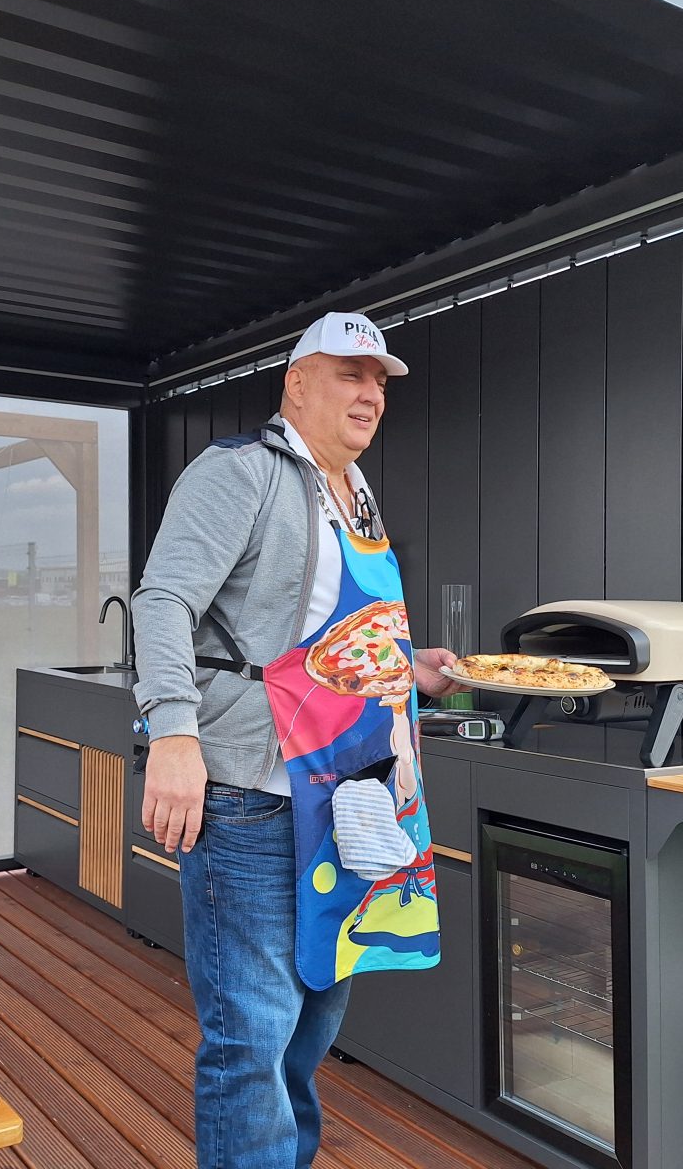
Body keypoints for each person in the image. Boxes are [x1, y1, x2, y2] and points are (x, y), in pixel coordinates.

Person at [133, 311, 461, 1169]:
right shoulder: (239, 472)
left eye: (380, 380)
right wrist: (173, 734)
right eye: (351, 373)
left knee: (315, 1014)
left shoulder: (355, 492)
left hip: (347, 796)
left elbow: (328, 635)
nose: (370, 393)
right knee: (253, 1032)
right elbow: (163, 601)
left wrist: (410, 669)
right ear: (298, 383)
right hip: (252, 794)